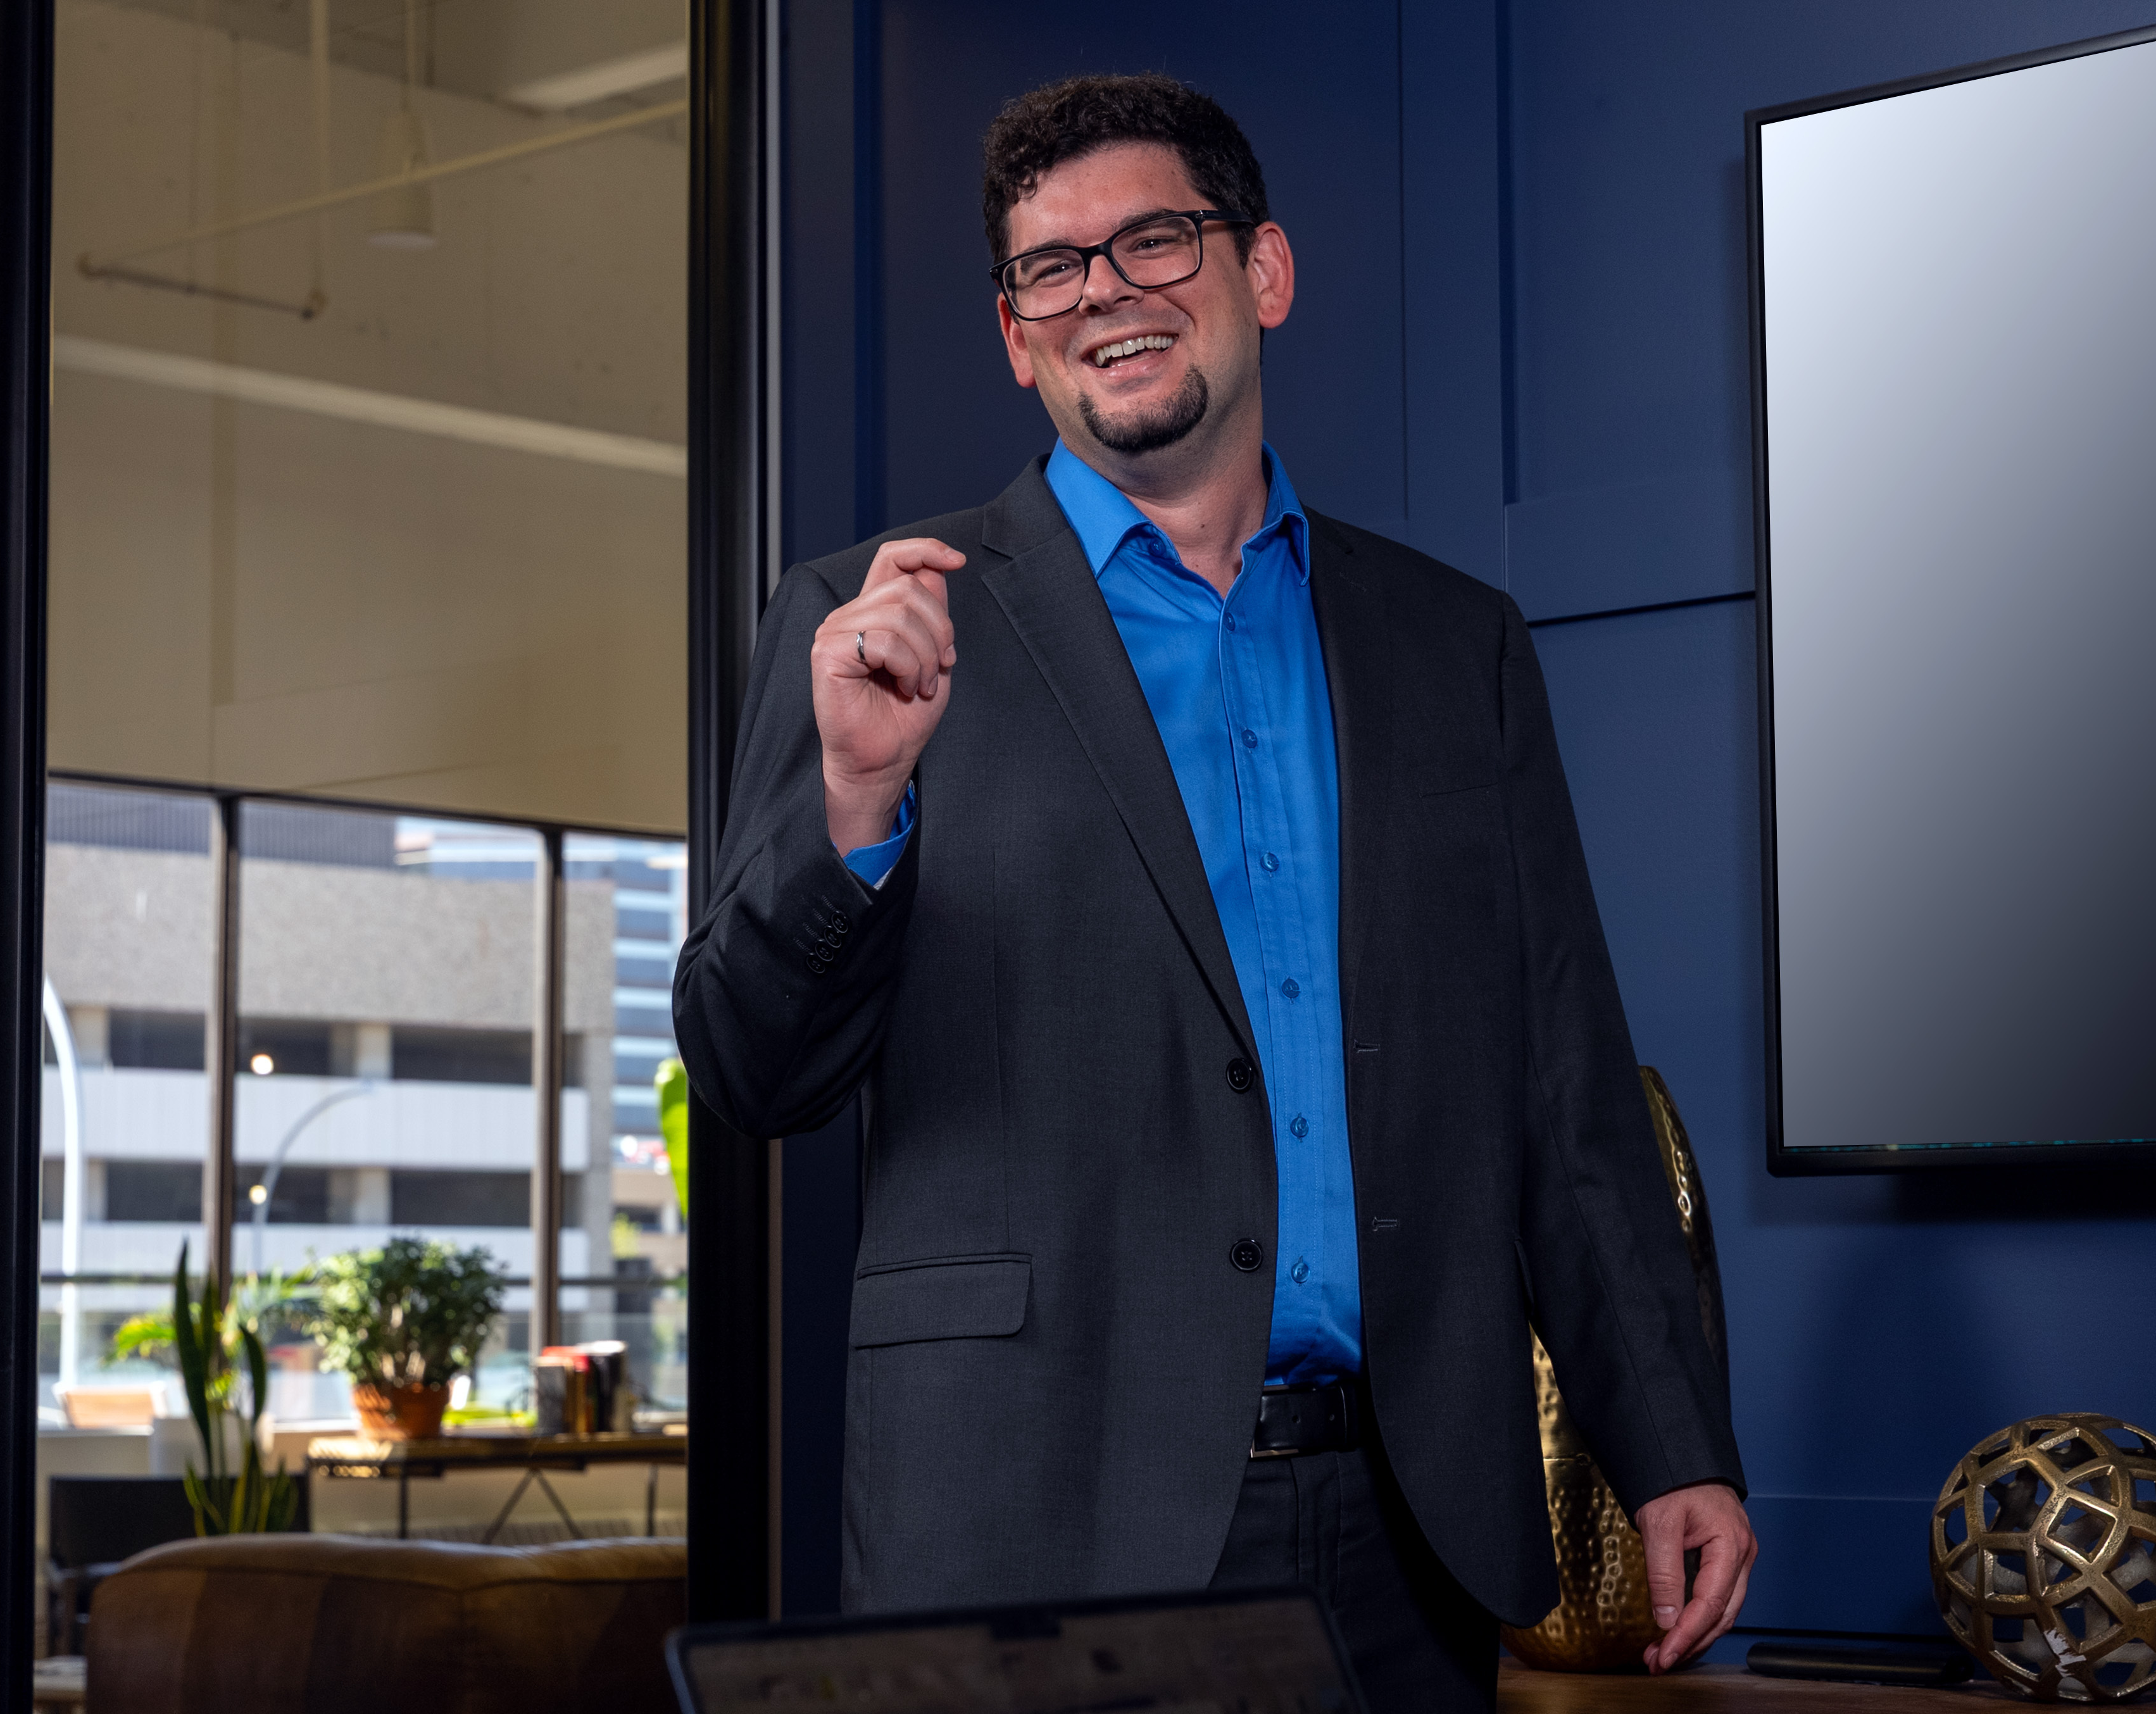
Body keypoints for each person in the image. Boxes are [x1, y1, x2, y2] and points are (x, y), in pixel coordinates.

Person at [672, 72, 1753, 1709]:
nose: (1104, 291)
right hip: (1036, 1517)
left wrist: (1670, 1440)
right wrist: (858, 801)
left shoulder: (1453, 645)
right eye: (1053, 268)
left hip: (1411, 1526)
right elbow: (753, 1074)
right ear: (1015, 334)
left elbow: (1564, 1081)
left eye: (1154, 241)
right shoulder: (872, 623)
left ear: (1266, 271)